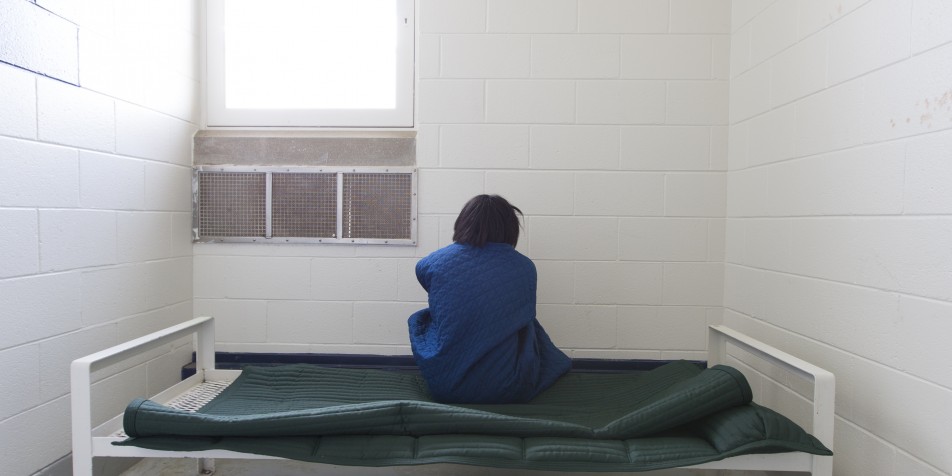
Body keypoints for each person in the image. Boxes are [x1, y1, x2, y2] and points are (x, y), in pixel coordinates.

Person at [408, 194, 571, 403]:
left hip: (446, 387)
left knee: (424, 318)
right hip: (511, 386)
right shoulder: (525, 267)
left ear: (463, 223)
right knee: (526, 322)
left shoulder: (432, 263)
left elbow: (428, 284)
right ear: (509, 227)